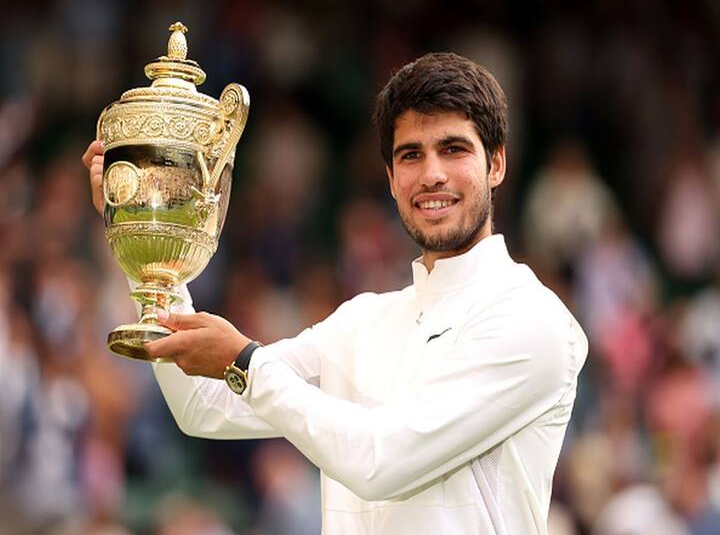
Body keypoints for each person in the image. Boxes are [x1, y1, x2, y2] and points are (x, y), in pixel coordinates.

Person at [83, 52, 588, 535]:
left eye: (453, 149)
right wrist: (146, 242)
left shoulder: (535, 321)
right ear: (391, 179)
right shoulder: (363, 321)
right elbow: (205, 405)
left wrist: (245, 363)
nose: (431, 174)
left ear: (496, 164)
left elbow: (382, 461)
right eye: (411, 155)